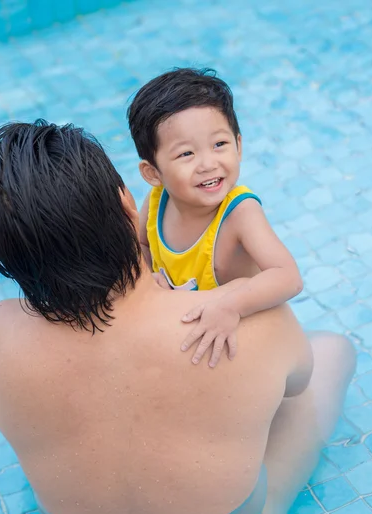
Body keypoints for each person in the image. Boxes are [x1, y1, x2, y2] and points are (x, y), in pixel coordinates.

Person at [0, 121, 355, 514]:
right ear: (126, 203)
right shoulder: (246, 321)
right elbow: (297, 384)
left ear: (1, 256)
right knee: (331, 351)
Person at [127, 68, 303, 368]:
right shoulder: (157, 201)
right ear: (153, 173)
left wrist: (231, 306)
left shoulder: (240, 214)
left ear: (239, 145)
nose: (208, 164)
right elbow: (141, 244)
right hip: (188, 334)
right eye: (186, 154)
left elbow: (288, 277)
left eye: (219, 145)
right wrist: (147, 279)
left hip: (237, 334)